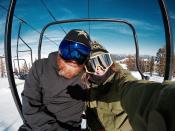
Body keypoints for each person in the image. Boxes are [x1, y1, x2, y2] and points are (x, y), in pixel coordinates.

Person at [83, 41, 175, 131]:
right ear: (86, 68)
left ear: (110, 61)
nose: (99, 69)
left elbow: (136, 91)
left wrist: (166, 100)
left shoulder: (120, 79)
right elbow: (90, 112)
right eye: (92, 64)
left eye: (103, 61)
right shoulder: (88, 83)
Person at [19, 29, 92, 131]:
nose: (73, 60)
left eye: (81, 54)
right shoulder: (40, 68)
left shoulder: (87, 74)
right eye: (68, 51)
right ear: (59, 50)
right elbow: (30, 108)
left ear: (86, 58)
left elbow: (109, 81)